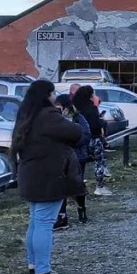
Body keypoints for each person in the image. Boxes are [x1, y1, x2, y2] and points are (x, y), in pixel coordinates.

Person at [10, 79, 84, 274]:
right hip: (48, 177)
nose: (54, 98)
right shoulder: (48, 116)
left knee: (35, 222)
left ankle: (33, 268)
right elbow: (76, 132)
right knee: (44, 224)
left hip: (30, 176)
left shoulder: (25, 115)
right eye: (52, 94)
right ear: (47, 95)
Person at [56, 94, 90, 224]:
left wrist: (72, 142)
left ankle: (81, 208)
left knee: (77, 184)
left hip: (77, 156)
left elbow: (86, 134)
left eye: (59, 105)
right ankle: (62, 215)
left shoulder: (78, 117)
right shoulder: (56, 118)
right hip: (61, 156)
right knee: (61, 186)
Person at [74, 85, 112, 196]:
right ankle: (99, 187)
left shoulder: (75, 108)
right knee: (99, 162)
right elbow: (95, 125)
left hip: (79, 139)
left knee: (80, 164)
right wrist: (102, 121)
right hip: (94, 138)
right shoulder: (92, 108)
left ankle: (78, 189)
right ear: (90, 95)